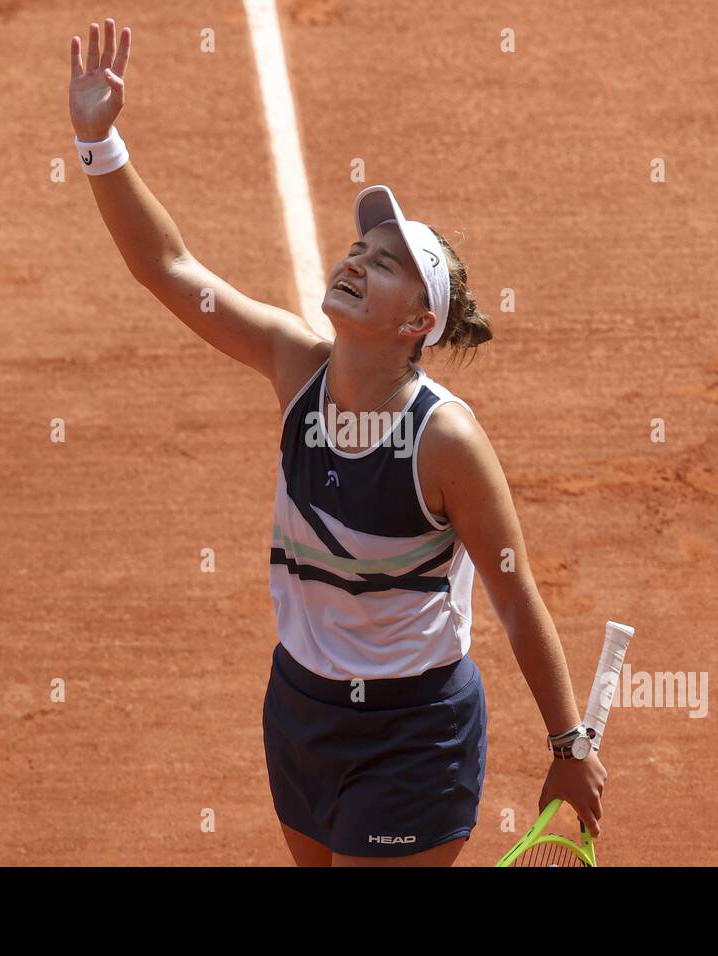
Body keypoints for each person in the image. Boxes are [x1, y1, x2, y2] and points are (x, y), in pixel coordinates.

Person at [67, 18, 607, 867]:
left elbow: (513, 593)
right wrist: (99, 143)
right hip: (300, 714)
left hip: (414, 736)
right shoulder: (294, 366)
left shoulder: (446, 441)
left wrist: (568, 744)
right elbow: (168, 268)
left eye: (384, 263)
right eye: (359, 247)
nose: (355, 260)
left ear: (417, 322)